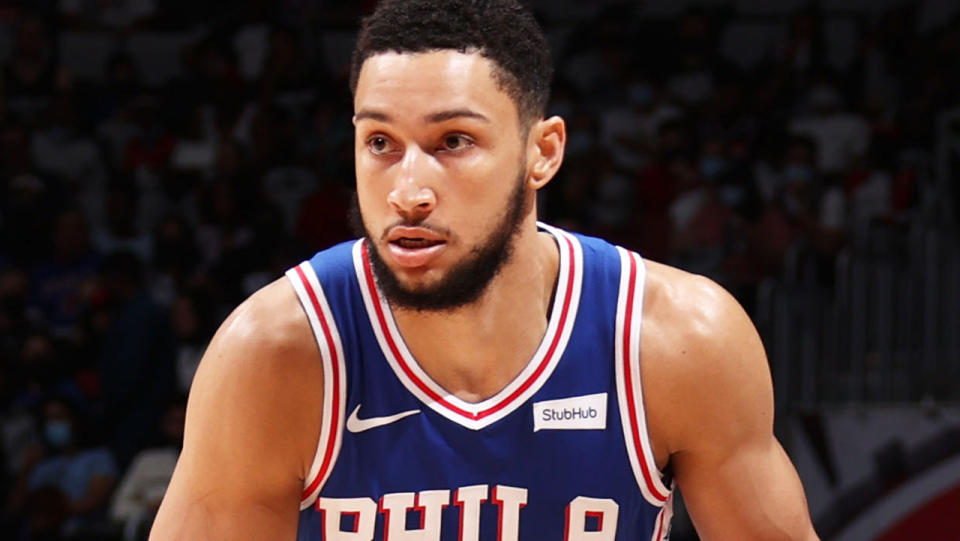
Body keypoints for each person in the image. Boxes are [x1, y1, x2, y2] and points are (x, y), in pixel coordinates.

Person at [151, 1, 819, 539]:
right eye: (380, 142)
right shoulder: (276, 354)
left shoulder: (675, 343)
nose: (408, 189)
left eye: (453, 142)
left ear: (543, 152)